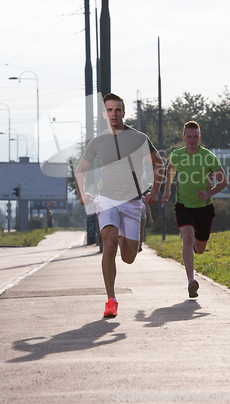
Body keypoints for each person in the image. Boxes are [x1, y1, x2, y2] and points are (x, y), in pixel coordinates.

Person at [75, 93, 164, 317]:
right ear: (105, 114)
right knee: (109, 243)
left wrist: (154, 191)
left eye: (117, 110)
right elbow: (80, 171)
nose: (113, 114)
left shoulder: (138, 138)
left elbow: (158, 163)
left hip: (132, 202)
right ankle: (111, 300)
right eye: (109, 110)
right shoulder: (97, 142)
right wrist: (83, 193)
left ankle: (134, 230)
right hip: (106, 199)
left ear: (124, 112)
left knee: (128, 257)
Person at [162, 121, 227, 298]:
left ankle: (196, 251)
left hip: (204, 209)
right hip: (183, 207)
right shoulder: (177, 155)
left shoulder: (208, 157)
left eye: (195, 136)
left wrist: (209, 193)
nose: (192, 140)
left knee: (200, 248)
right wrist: (167, 190)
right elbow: (169, 169)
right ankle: (191, 281)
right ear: (183, 138)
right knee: (188, 237)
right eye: (189, 136)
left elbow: (223, 181)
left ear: (200, 137)